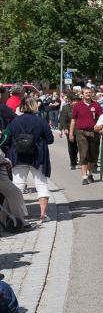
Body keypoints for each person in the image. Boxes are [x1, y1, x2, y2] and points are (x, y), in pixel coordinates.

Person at [5, 94, 54, 222]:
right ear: (34, 106)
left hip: (18, 156)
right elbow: (50, 139)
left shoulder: (14, 121)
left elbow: (7, 139)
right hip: (38, 157)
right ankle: (43, 214)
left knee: (18, 186)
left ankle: (19, 216)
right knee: (41, 184)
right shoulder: (40, 121)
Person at [70, 86, 101, 186]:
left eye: (89, 92)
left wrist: (101, 128)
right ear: (82, 94)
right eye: (86, 93)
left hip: (93, 132)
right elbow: (73, 120)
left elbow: (101, 118)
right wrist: (71, 133)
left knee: (93, 155)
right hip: (81, 132)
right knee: (83, 154)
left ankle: (89, 173)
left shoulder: (96, 105)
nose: (88, 94)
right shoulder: (77, 106)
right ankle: (84, 177)